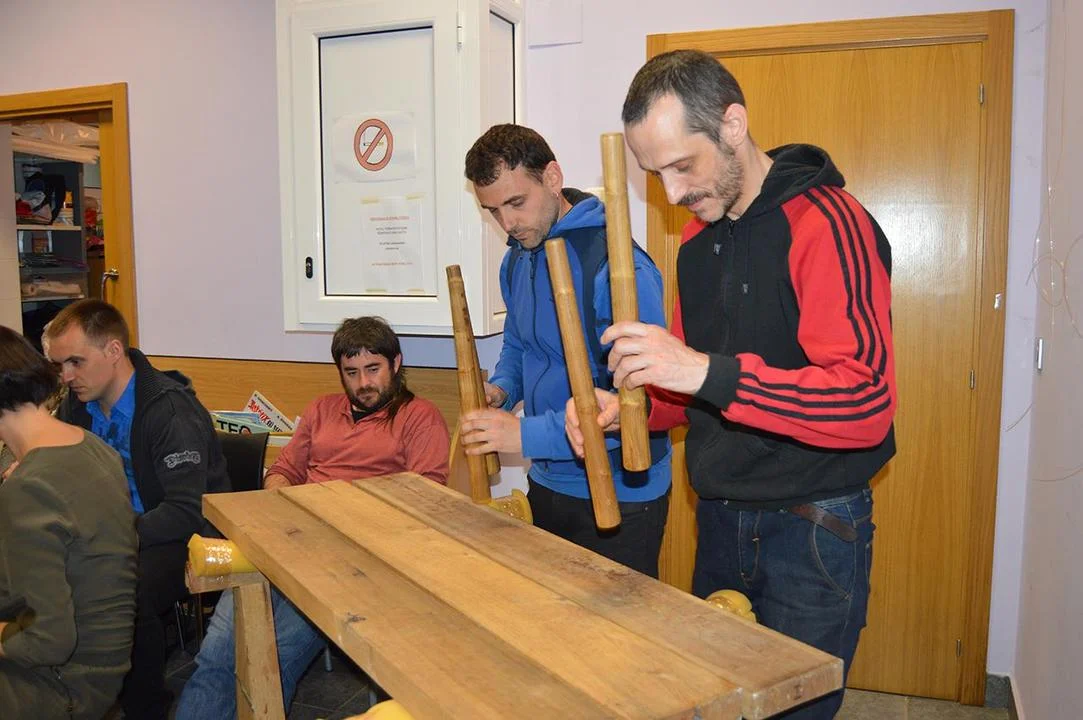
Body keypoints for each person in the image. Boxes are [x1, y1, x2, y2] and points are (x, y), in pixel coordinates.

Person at [566, 50, 896, 718]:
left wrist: (698, 369)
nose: (670, 194)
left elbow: (863, 402)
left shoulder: (828, 222)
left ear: (732, 125)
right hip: (720, 520)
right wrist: (627, 409)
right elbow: (691, 395)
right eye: (653, 174)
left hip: (811, 526)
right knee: (716, 705)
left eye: (682, 165)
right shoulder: (697, 243)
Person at [177, 316, 450, 719]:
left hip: (351, 564)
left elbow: (424, 501)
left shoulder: (420, 417)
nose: (363, 383)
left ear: (396, 363)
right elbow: (283, 470)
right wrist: (282, 505)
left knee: (270, 659)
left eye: (373, 369)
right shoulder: (322, 409)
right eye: (351, 372)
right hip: (288, 541)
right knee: (216, 654)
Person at [462, 124, 672, 577]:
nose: (508, 224)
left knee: (617, 625)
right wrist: (502, 389)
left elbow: (637, 403)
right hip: (548, 480)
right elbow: (520, 344)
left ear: (553, 178)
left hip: (621, 490)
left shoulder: (617, 267)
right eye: (493, 211)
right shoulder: (517, 259)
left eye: (516, 203)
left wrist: (523, 436)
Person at [44, 300, 230, 719]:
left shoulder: (169, 410)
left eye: (75, 362)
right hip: (116, 532)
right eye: (60, 365)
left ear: (113, 351)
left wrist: (110, 538)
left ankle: (146, 709)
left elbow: (185, 511)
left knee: (125, 588)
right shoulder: (78, 405)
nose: (66, 376)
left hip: (185, 536)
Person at [0, 325, 138, 719]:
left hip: (60, 684)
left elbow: (46, 639)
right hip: (103, 667)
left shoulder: (29, 486)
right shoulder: (91, 447)